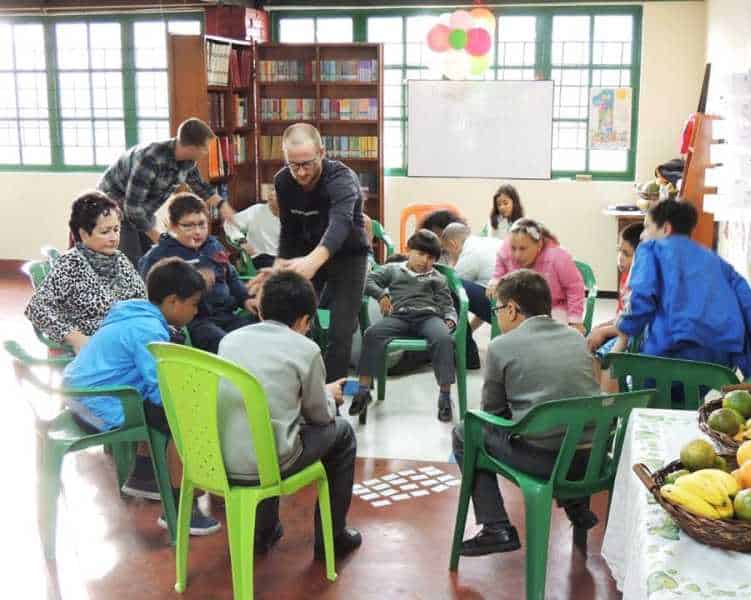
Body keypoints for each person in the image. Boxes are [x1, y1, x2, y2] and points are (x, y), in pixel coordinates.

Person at [63, 257, 220, 535]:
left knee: (154, 405)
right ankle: (181, 509)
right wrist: (188, 405)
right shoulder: (148, 330)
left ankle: (144, 476)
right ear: (173, 302)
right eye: (193, 304)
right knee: (181, 419)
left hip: (81, 395)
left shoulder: (133, 313)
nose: (196, 311)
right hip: (100, 406)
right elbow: (160, 388)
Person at [452, 270, 600, 556]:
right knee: (564, 424)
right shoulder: (575, 337)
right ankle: (576, 504)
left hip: (546, 463)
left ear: (512, 309)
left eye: (497, 310)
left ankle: (496, 527)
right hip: (592, 460)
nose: (496, 317)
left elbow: (491, 414)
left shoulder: (501, 346)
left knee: (465, 432)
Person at [217, 270, 361, 558]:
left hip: (220, 460)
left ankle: (263, 532)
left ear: (260, 311)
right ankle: (332, 539)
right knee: (343, 434)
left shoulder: (229, 341)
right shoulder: (306, 349)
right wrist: (329, 396)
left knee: (260, 424)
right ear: (304, 320)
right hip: (271, 462)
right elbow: (320, 417)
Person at [248, 123, 369, 382]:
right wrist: (279, 269)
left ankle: (333, 404)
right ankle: (302, 386)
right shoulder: (282, 181)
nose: (301, 172)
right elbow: (290, 231)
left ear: (322, 153)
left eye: (307, 164)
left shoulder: (342, 179)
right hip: (306, 255)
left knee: (340, 330)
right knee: (290, 316)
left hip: (348, 256)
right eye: (294, 165)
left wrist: (313, 262)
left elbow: (341, 223)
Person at [613, 199, 751, 379]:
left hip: (669, 356)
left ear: (666, 228)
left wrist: (624, 325)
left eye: (647, 227)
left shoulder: (651, 249)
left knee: (649, 383)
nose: (642, 235)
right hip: (719, 365)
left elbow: (643, 298)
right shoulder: (719, 263)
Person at [350, 230, 458, 422]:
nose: (425, 261)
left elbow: (447, 304)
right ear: (409, 250)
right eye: (421, 254)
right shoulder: (393, 269)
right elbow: (368, 280)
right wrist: (381, 295)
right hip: (400, 316)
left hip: (428, 317)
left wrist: (450, 318)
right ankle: (363, 391)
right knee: (372, 334)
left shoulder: (437, 278)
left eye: (431, 258)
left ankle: (445, 397)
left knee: (443, 339)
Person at [98, 118, 233, 265]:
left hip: (141, 210)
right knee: (131, 261)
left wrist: (222, 206)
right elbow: (132, 208)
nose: (206, 152)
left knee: (151, 258)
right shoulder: (151, 159)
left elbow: (200, 187)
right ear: (191, 148)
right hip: (114, 209)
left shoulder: (188, 161)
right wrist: (158, 237)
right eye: (205, 148)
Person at [25, 191, 146, 354]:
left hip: (130, 336)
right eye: (105, 232)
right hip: (102, 347)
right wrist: (76, 338)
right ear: (83, 234)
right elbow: (36, 308)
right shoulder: (71, 264)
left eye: (116, 229)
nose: (114, 237)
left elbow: (141, 299)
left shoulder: (120, 259)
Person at [139, 192, 257, 354]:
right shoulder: (159, 255)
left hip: (227, 314)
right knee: (226, 346)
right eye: (188, 225)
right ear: (171, 226)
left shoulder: (214, 246)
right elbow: (153, 297)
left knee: (258, 334)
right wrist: (192, 281)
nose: (197, 231)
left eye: (202, 224)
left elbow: (232, 276)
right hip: (196, 320)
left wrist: (246, 299)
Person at [488, 218, 586, 333]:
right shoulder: (505, 251)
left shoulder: (558, 256)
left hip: (554, 308)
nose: (517, 255)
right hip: (520, 307)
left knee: (547, 336)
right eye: (514, 248)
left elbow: (574, 288)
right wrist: (495, 282)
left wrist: (575, 320)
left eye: (523, 249)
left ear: (538, 245)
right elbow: (499, 271)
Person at [587, 222, 644, 357]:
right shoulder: (625, 276)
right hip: (622, 330)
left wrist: (604, 331)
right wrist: (600, 328)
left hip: (633, 339)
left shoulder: (640, 286)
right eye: (619, 250)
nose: (620, 258)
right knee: (591, 337)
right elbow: (620, 317)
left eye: (626, 253)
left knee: (601, 357)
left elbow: (632, 325)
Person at [441, 222, 503, 325]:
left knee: (450, 286)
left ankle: (460, 338)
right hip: (511, 303)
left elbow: (451, 285)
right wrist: (472, 330)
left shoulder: (469, 253)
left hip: (501, 307)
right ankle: (467, 338)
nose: (449, 255)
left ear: (453, 244)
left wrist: (452, 262)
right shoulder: (486, 242)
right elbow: (480, 296)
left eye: (448, 251)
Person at [223, 186, 281, 270]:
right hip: (259, 257)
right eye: (272, 189)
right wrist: (242, 241)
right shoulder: (256, 210)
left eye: (277, 192)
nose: (272, 194)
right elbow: (229, 224)